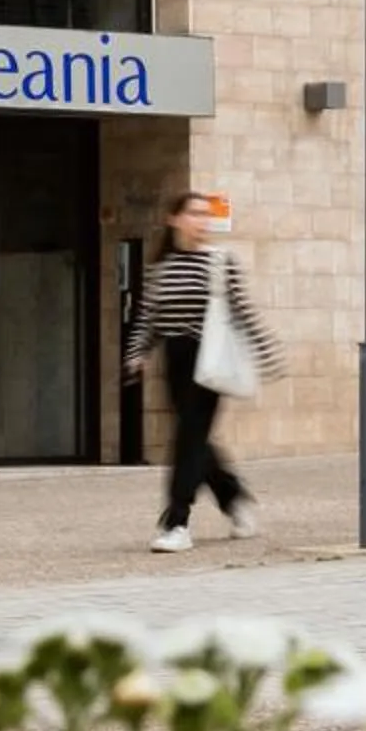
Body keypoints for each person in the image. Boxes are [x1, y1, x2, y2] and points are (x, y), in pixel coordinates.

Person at [125, 191, 279, 554]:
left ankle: (176, 521)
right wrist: (137, 355)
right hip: (175, 361)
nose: (202, 221)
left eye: (206, 214)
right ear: (174, 219)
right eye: (194, 213)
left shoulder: (220, 262)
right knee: (195, 440)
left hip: (209, 360)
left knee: (187, 440)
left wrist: (264, 351)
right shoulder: (161, 268)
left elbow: (242, 312)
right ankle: (234, 497)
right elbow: (148, 319)